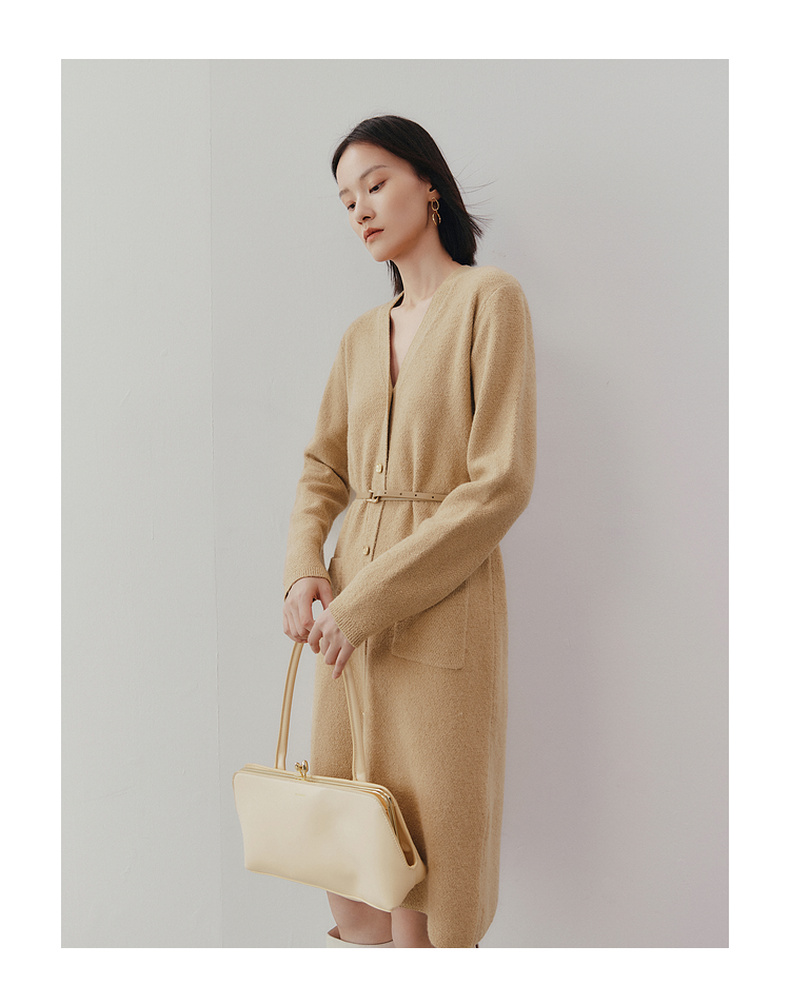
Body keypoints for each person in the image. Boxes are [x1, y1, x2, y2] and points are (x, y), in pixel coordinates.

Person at [282, 115, 537, 949]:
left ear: (429, 183)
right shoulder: (360, 336)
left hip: (437, 618)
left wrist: (364, 603)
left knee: (426, 901)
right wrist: (304, 568)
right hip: (345, 634)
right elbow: (323, 467)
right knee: (353, 890)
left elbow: (499, 485)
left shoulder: (490, 300)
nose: (359, 208)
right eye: (346, 199)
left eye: (375, 183)